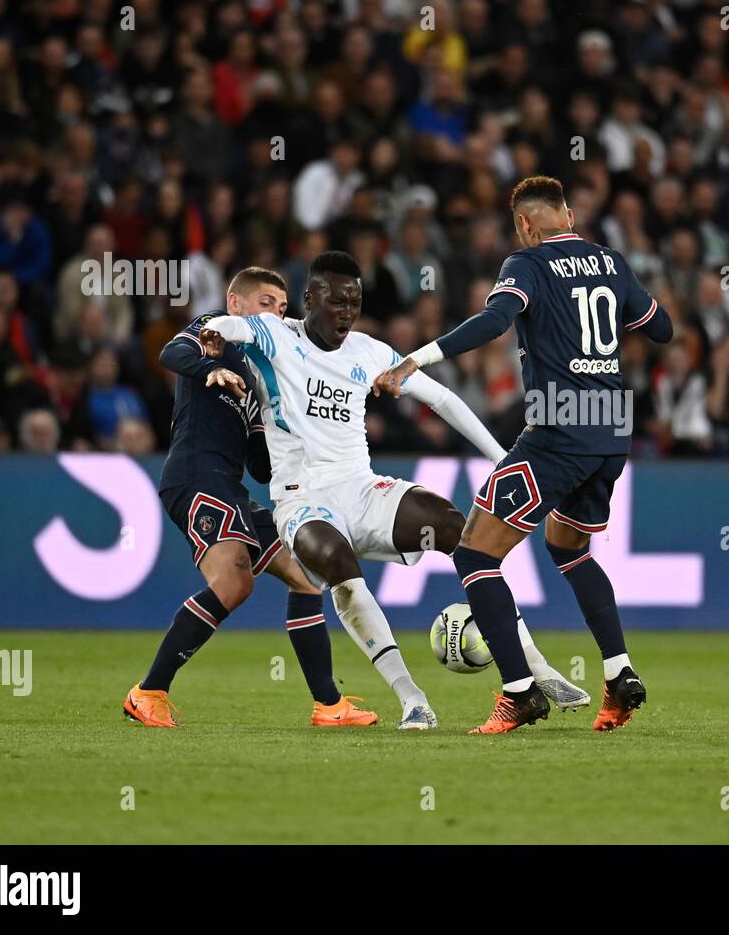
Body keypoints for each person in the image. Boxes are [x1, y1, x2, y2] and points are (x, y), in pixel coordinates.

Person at [199, 251, 588, 730]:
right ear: (309, 299)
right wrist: (215, 333)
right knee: (340, 565)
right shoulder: (277, 335)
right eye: (336, 301)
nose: (346, 311)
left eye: (354, 302)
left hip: (361, 488)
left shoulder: (370, 352)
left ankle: (535, 666)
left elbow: (443, 399)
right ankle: (413, 698)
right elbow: (232, 327)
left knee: (456, 527)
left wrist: (501, 459)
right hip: (302, 498)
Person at [374, 176, 674, 735]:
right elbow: (661, 328)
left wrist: (416, 358)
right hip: (611, 430)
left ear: (525, 224)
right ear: (568, 212)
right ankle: (620, 674)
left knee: (474, 556)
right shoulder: (611, 260)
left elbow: (494, 321)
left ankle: (518, 693)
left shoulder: (527, 264)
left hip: (558, 428)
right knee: (569, 548)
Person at [125, 268, 377, 729]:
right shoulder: (216, 332)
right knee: (235, 583)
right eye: (266, 303)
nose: (276, 316)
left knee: (305, 578)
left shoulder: (264, 370)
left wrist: (291, 433)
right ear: (235, 303)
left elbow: (260, 465)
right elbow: (172, 351)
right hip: (195, 476)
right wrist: (212, 366)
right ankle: (149, 691)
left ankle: (329, 705)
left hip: (230, 485)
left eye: (283, 309)